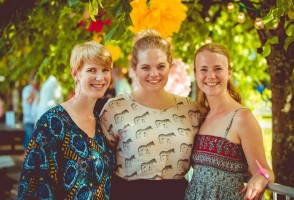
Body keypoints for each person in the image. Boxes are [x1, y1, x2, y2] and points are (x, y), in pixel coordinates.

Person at [100, 30, 201, 200]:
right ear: (134, 68)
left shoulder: (189, 109)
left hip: (177, 195)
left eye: (161, 66)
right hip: (128, 194)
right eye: (146, 67)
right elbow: (100, 163)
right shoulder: (115, 108)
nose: (154, 74)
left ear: (170, 65)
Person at [17, 41, 115, 199]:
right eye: (92, 70)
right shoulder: (52, 123)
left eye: (105, 70)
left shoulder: (101, 122)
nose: (100, 77)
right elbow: (33, 188)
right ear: (75, 74)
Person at [185, 43, 275, 200]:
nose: (211, 76)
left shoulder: (242, 118)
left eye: (218, 69)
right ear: (196, 74)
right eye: (204, 69)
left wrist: (262, 177)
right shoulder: (201, 116)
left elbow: (264, 170)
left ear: (229, 73)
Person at [21, 72, 39, 150]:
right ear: (31, 80)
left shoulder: (38, 90)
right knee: (30, 141)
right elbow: (30, 100)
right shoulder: (27, 89)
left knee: (32, 142)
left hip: (36, 119)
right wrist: (33, 88)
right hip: (29, 119)